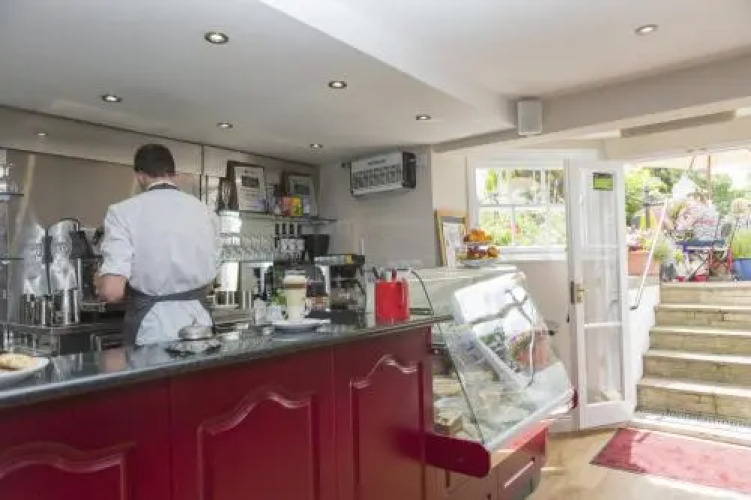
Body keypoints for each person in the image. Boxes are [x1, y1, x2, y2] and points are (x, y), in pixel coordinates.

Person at [96, 144, 220, 345]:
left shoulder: (122, 212)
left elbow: (112, 292)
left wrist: (100, 281)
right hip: (200, 325)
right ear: (172, 173)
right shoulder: (206, 212)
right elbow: (210, 279)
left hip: (152, 329)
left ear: (140, 176)